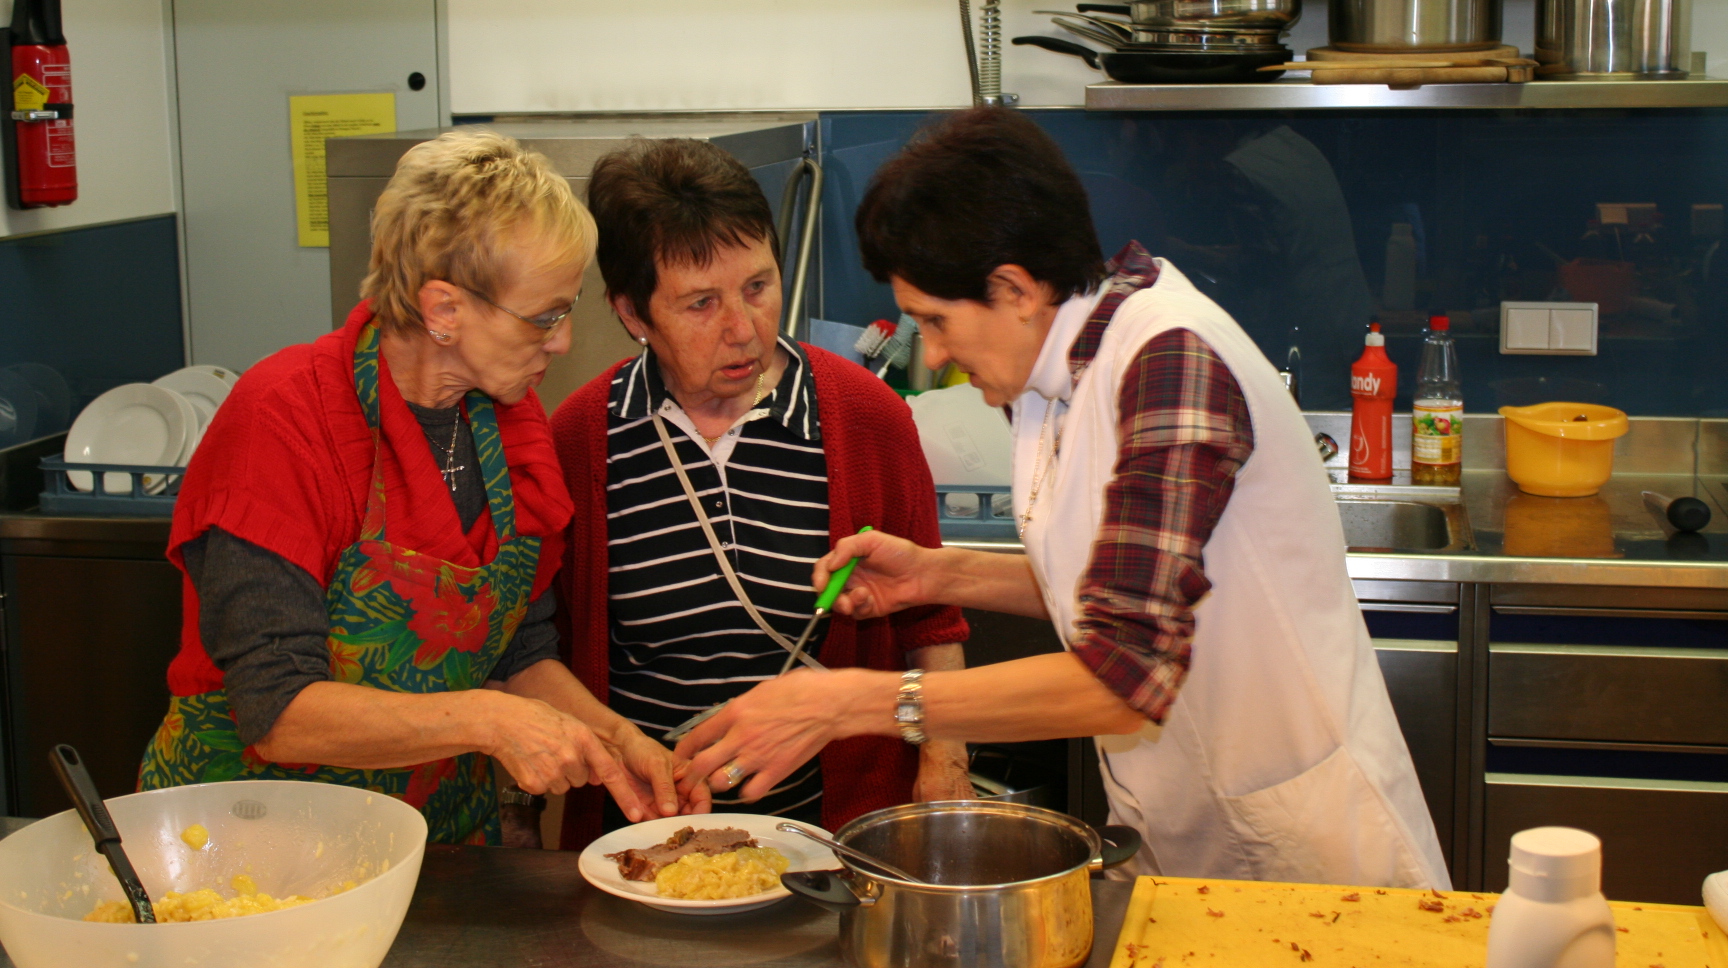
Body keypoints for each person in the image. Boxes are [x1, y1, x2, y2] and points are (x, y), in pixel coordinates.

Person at [672, 108, 1449, 888]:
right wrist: (938, 575)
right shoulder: (1051, 373)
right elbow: (1113, 586)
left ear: (1014, 288)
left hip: (1307, 854)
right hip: (1181, 836)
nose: (932, 352)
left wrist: (851, 704)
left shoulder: (1171, 364)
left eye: (936, 321)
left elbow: (1121, 679)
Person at [140, 131, 695, 845]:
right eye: (543, 318)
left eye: (567, 311)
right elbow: (277, 713)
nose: (561, 342)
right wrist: (488, 721)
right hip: (253, 848)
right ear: (442, 311)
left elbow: (519, 651)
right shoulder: (283, 422)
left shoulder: (509, 424)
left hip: (436, 842)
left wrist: (619, 742)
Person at [550, 138, 971, 849]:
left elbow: (932, 624)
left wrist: (945, 764)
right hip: (645, 836)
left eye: (758, 287)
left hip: (838, 832)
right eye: (700, 304)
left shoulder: (866, 419)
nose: (743, 330)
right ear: (633, 314)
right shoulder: (582, 438)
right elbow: (548, 651)